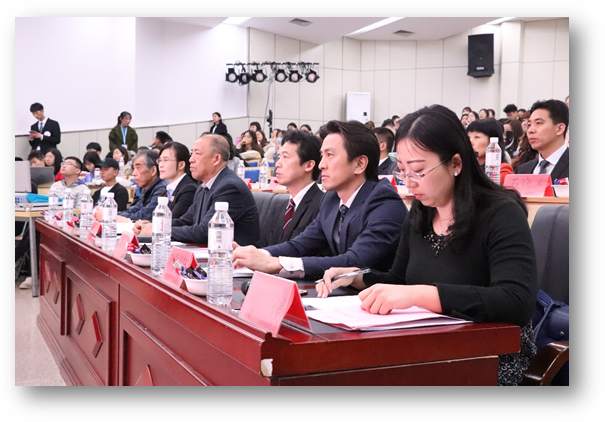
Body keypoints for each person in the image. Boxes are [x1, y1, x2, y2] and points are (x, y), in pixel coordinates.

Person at [317, 104, 538, 386]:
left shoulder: (501, 213)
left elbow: (516, 301)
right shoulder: (421, 213)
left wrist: (420, 295)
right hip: (426, 348)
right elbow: (399, 280)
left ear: (455, 163)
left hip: (489, 357)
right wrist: (356, 277)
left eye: (418, 171)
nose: (409, 184)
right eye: (402, 172)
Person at [232, 120, 408, 280]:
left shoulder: (384, 203)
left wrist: (277, 263)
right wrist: (259, 255)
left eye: (330, 155)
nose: (321, 164)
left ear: (360, 164)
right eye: (322, 155)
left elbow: (355, 261)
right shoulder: (332, 198)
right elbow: (301, 245)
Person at [134, 135, 260, 246]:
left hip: (231, 259)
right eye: (191, 153)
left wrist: (160, 230)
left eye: (197, 154)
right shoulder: (203, 187)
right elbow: (186, 220)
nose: (191, 159)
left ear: (216, 159)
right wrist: (152, 225)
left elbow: (205, 232)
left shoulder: (229, 187)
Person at [259, 130, 324, 247]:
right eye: (279, 157)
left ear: (309, 165)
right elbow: (266, 246)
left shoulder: (322, 206)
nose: (278, 164)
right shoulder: (278, 205)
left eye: (285, 157)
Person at [95, 149, 167, 222]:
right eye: (134, 168)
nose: (134, 173)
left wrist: (109, 215)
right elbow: (135, 209)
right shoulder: (146, 188)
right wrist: (109, 213)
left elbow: (145, 215)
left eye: (138, 168)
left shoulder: (162, 189)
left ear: (153, 170)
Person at [514, 99, 569, 183]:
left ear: (559, 128)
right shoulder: (522, 170)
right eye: (529, 125)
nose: (530, 130)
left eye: (538, 123)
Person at [466, 119, 514, 184]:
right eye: (468, 137)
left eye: (477, 137)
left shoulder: (502, 170)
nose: (470, 142)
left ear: (493, 141)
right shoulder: (462, 166)